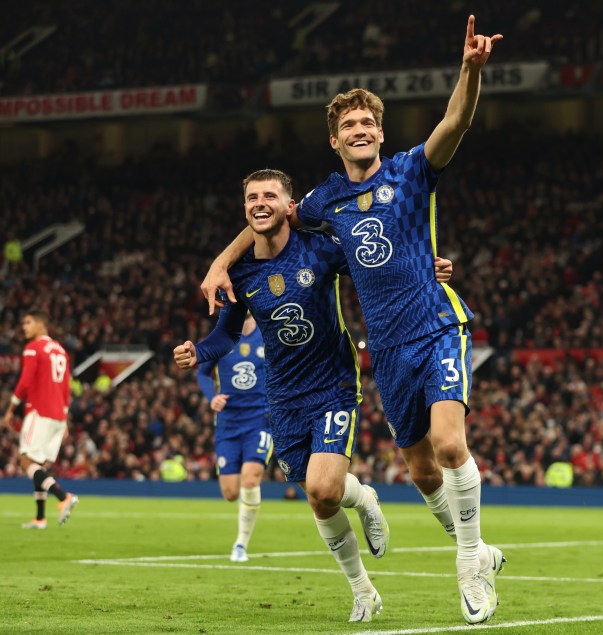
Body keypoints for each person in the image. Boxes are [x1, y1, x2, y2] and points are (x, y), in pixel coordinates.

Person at [202, 15, 505, 624]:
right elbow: (267, 217)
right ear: (335, 142)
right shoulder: (322, 202)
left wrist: (469, 72)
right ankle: (478, 549)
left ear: (381, 132)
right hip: (386, 349)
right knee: (420, 470)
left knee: (449, 444)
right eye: (349, 125)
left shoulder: (410, 171)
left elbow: (456, 123)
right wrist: (222, 261)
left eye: (368, 122)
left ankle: (470, 563)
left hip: (438, 323)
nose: (360, 129)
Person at [178, 169, 452, 623]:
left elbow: (379, 261)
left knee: (327, 486)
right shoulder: (241, 273)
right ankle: (363, 590)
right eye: (251, 197)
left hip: (333, 384)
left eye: (270, 195)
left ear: (290, 206)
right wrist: (197, 350)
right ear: (244, 209)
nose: (259, 202)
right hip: (282, 395)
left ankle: (364, 500)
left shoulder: (321, 249)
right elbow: (224, 336)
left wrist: (428, 263)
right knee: (318, 499)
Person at [196, 312, 272, 562]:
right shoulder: (223, 337)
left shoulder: (267, 332)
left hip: (260, 420)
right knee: (230, 492)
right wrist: (212, 397)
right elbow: (203, 373)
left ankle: (241, 544)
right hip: (228, 423)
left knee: (250, 480)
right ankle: (243, 528)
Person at [1, 309, 78, 529]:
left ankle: (64, 497)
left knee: (26, 460)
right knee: (40, 466)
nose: (24, 327)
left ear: (41, 325)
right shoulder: (61, 351)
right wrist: (64, 420)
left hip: (39, 411)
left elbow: (25, 381)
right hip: (57, 416)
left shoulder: (34, 348)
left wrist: (11, 408)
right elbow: (66, 389)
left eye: (28, 322)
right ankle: (40, 518)